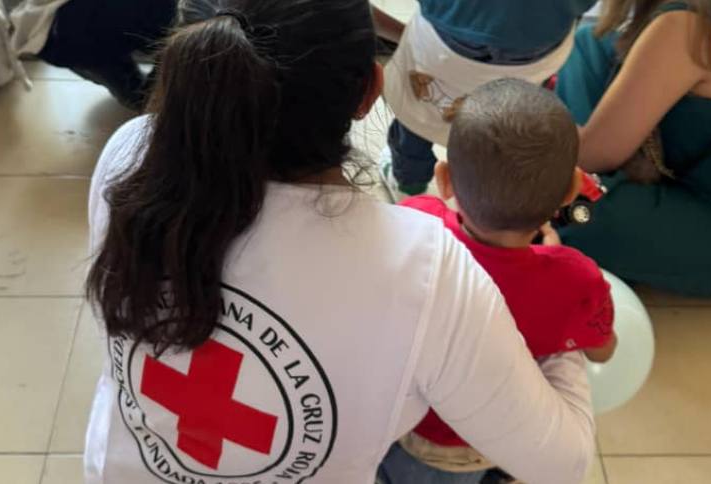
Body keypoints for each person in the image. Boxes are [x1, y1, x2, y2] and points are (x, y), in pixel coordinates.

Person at [84, 1, 596, 483]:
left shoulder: (128, 156)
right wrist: (561, 338)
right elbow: (563, 462)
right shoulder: (426, 272)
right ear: (371, 91)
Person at [379, 79, 617, 484]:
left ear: (445, 178)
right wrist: (555, 261)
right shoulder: (576, 280)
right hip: (475, 443)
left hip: (397, 412)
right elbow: (603, 352)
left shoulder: (416, 220)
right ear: (570, 192)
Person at [556, 0, 711, 298]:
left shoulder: (684, 29)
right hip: (710, 172)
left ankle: (602, 192)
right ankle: (609, 185)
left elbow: (592, 155)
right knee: (590, 44)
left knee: (564, 212)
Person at [373, 0, 597, 199]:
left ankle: (409, 184)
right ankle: (483, 194)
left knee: (419, 109)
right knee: (505, 120)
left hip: (454, 24)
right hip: (540, 35)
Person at [10, 0, 178, 110]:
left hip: (60, 24)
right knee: (141, 96)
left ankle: (127, 81)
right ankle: (136, 94)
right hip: (65, 41)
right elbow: (170, 55)